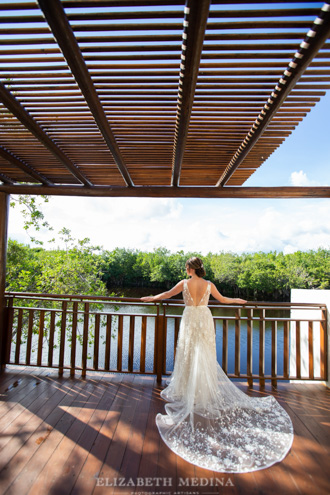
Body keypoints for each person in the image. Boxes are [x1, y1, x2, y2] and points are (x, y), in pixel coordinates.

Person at [141, 257, 294, 473]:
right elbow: (222, 300)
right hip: (204, 317)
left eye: (186, 266)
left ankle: (187, 390)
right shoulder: (209, 285)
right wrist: (238, 301)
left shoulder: (183, 284)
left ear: (191, 268)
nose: (185, 269)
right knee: (203, 354)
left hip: (189, 318)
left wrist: (151, 298)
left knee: (188, 354)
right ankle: (199, 391)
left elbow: (165, 295)